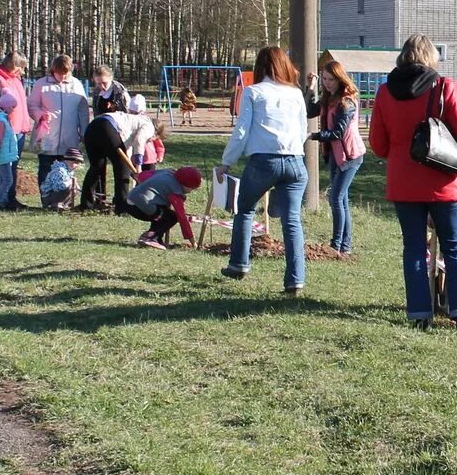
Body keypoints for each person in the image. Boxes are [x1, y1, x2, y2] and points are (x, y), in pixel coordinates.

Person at [367, 34, 457, 332]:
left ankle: (419, 313)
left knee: (414, 248)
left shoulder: (384, 92)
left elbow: (379, 146)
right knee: (455, 247)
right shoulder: (444, 87)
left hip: (404, 182)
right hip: (444, 180)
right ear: (431, 58)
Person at [218, 46, 309, 295]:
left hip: (262, 162)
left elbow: (241, 131)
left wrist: (227, 161)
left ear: (260, 67)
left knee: (245, 210)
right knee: (292, 221)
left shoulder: (253, 92)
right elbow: (302, 130)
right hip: (295, 161)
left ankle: (238, 263)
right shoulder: (296, 94)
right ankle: (295, 279)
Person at [309, 60, 365, 257]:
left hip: (350, 156)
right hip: (335, 154)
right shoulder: (328, 98)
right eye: (324, 79)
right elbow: (309, 111)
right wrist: (312, 88)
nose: (327, 83)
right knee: (342, 200)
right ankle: (343, 246)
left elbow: (337, 133)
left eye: (331, 79)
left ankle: (337, 245)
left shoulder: (346, 102)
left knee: (336, 198)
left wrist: (313, 136)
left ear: (340, 78)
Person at [27, 55, 91, 189]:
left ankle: (64, 197)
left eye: (66, 74)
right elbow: (32, 105)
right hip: (47, 136)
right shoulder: (41, 84)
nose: (62, 77)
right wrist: (41, 115)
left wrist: (84, 132)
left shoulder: (77, 85)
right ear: (53, 70)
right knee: (45, 168)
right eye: (59, 73)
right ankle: (46, 197)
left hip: (69, 137)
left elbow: (83, 111)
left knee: (67, 170)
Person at [82, 105, 155, 213]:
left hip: (92, 127)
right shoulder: (149, 126)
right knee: (122, 167)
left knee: (96, 166)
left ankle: (86, 204)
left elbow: (127, 152)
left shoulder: (131, 121)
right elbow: (139, 140)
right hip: (106, 125)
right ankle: (122, 208)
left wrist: (133, 168)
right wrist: (139, 166)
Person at [128, 166, 203, 249]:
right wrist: (193, 242)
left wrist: (137, 175)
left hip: (130, 199)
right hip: (139, 207)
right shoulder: (175, 191)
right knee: (172, 217)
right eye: (191, 188)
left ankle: (157, 239)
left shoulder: (166, 173)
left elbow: (143, 176)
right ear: (184, 184)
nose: (191, 191)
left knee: (163, 212)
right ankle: (149, 238)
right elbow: (182, 217)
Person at [0, 53, 33, 153]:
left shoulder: (16, 80)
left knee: (13, 162)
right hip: (6, 128)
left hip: (20, 127)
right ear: (13, 65)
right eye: (20, 67)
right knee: (4, 163)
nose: (22, 71)